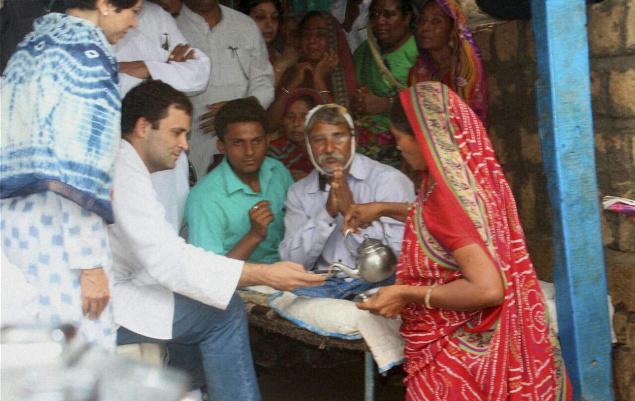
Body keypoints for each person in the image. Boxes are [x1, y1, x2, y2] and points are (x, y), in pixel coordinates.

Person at [346, 82, 571, 401]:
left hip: (460, 364)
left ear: (424, 138)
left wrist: (405, 292)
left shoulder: (445, 200)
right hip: (496, 347)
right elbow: (452, 227)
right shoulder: (474, 181)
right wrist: (383, 208)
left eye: (399, 139)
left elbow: (487, 289)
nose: (399, 149)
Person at [109, 80, 323, 401]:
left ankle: (190, 391)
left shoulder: (128, 166)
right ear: (142, 127)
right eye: (176, 132)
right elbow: (170, 262)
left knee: (199, 302)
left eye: (186, 134)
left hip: (120, 289)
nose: (185, 145)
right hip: (97, 304)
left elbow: (166, 260)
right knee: (223, 312)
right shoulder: (126, 174)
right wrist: (264, 273)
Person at [0, 0, 142, 350]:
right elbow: (79, 171)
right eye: (132, 9)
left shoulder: (30, 47)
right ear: (105, 4)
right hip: (62, 237)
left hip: (14, 231)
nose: (135, 22)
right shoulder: (88, 55)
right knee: (77, 356)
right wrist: (90, 264)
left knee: (29, 354)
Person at [279, 104, 414, 299]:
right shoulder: (299, 191)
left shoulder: (388, 180)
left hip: (378, 283)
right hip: (323, 286)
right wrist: (326, 214)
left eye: (338, 137)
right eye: (318, 140)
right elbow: (291, 262)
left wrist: (350, 214)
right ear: (308, 145)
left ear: (353, 140)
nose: (329, 148)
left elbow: (401, 257)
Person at [114, 0, 211, 230]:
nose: (134, 21)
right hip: (119, 140)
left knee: (168, 222)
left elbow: (198, 73)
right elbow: (103, 77)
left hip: (164, 140)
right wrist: (163, 66)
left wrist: (145, 68)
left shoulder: (156, 15)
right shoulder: (94, 18)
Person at [186, 98, 294, 264]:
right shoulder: (204, 197)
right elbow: (209, 274)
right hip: (240, 286)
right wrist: (254, 235)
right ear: (222, 146)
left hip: (287, 275)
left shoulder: (277, 171)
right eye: (238, 143)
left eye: (256, 141)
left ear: (268, 140)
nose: (249, 152)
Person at [176, 0, 275, 178]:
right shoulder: (171, 26)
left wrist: (237, 111)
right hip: (191, 143)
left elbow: (264, 81)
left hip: (244, 141)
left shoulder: (244, 25)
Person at [352, 0, 418, 168]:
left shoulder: (419, 52)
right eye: (374, 15)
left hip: (403, 145)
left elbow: (427, 104)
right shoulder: (364, 52)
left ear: (407, 17)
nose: (380, 21)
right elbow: (350, 91)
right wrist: (358, 101)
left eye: (389, 15)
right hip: (362, 141)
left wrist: (386, 104)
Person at [267, 11, 357, 131]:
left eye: (320, 35)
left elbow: (342, 127)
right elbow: (270, 125)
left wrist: (319, 80)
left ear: (333, 40)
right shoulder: (294, 71)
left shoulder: (343, 76)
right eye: (306, 34)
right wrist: (293, 83)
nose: (312, 40)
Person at [409, 0, 488, 123]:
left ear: (453, 30)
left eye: (436, 21)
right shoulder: (418, 74)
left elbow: (469, 122)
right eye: (422, 20)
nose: (424, 28)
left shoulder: (466, 71)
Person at [240, 0, 298, 87]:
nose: (269, 24)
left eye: (274, 18)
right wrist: (280, 66)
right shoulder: (236, 57)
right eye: (260, 17)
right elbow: (257, 96)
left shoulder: (278, 54)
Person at [267, 88, 322, 180]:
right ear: (282, 120)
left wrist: (310, 181)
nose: (296, 123)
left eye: (304, 117)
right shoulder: (275, 151)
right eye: (290, 116)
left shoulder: (326, 148)